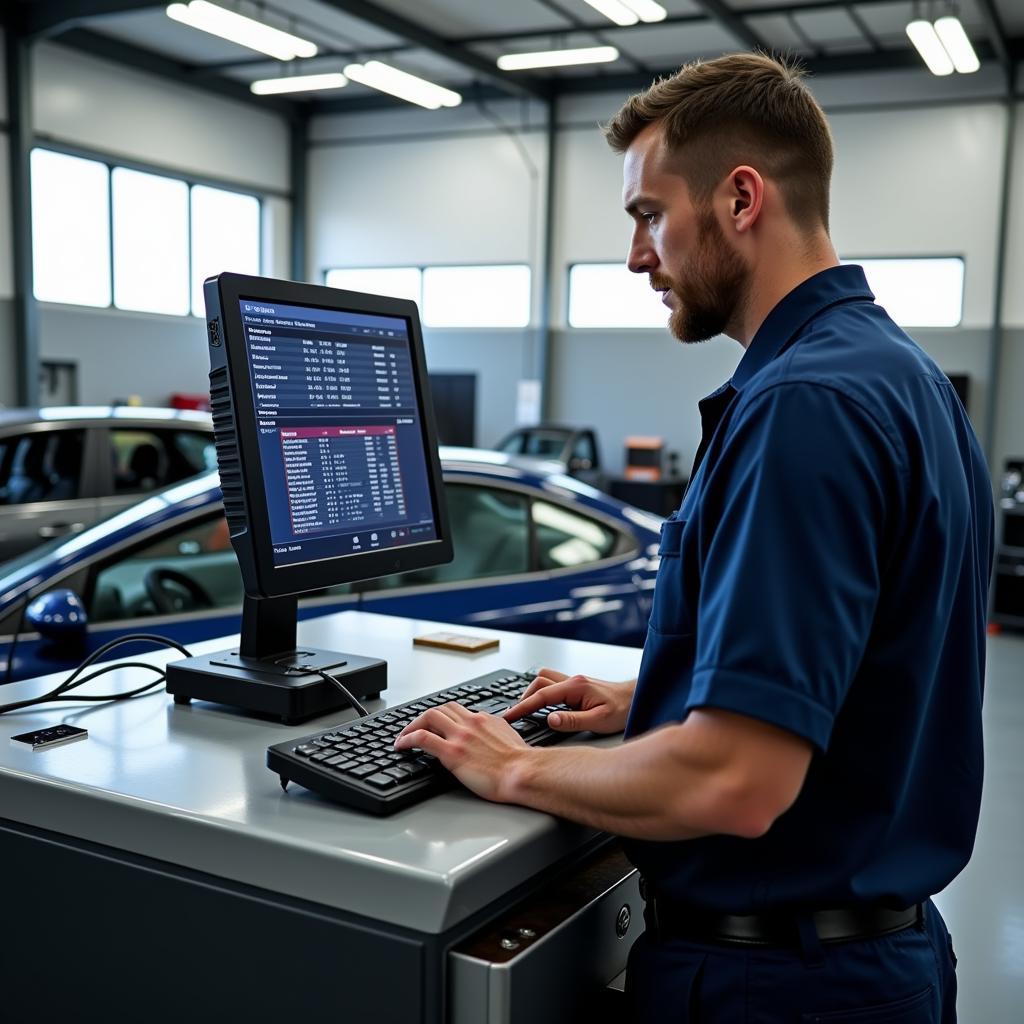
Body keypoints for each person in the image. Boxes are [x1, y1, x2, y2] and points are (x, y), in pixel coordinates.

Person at [395, 53, 993, 1021]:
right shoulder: (896, 377)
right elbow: (876, 661)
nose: (638, 255)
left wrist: (515, 764)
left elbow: (735, 783)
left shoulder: (807, 404)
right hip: (871, 959)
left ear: (740, 198)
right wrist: (653, 698)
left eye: (646, 214)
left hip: (782, 988)